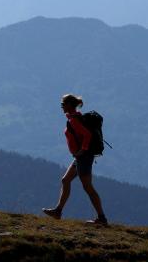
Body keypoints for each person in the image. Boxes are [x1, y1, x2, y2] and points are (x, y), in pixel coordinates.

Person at [43, 94, 108, 225]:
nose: (61, 106)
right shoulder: (75, 117)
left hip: (83, 157)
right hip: (80, 157)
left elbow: (87, 135)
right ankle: (58, 211)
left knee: (88, 187)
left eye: (63, 103)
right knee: (65, 180)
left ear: (69, 105)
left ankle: (101, 218)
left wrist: (82, 150)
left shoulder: (74, 120)